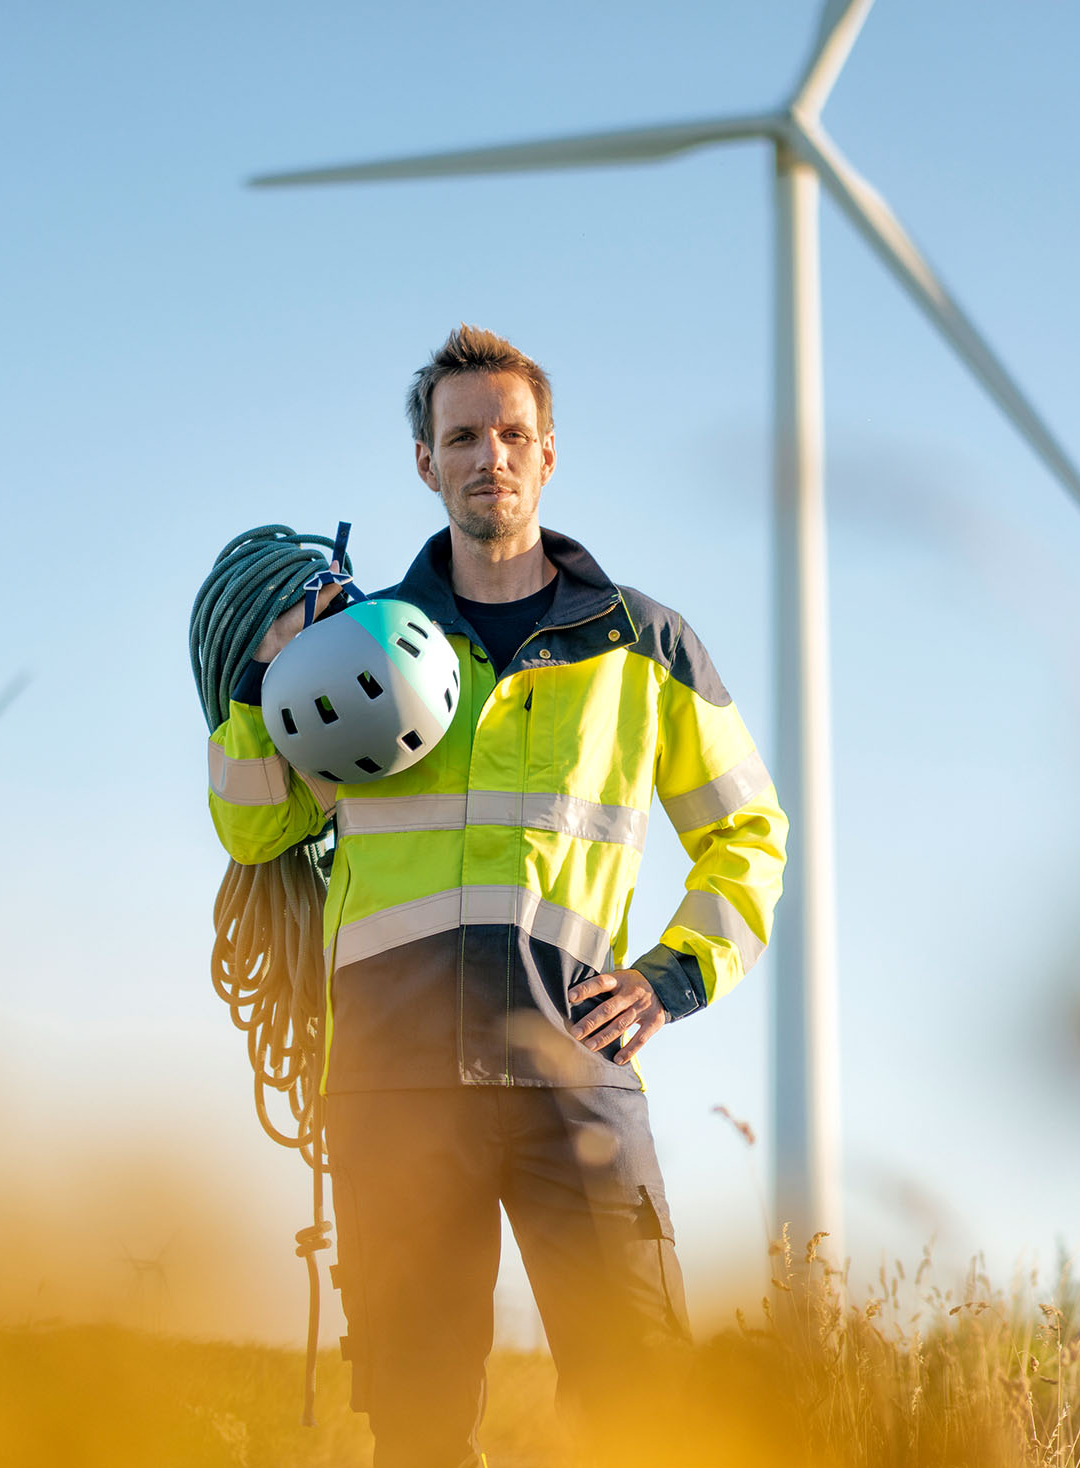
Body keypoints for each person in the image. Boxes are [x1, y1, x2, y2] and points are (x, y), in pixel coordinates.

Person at [206, 325, 787, 1466]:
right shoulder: (358, 646)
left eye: (511, 433)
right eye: (461, 435)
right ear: (423, 461)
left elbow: (746, 832)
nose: (490, 457)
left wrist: (673, 975)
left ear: (551, 451)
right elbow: (252, 818)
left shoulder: (643, 646)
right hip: (393, 1079)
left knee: (640, 1397)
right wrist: (267, 674)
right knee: (418, 1426)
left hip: (573, 1069)